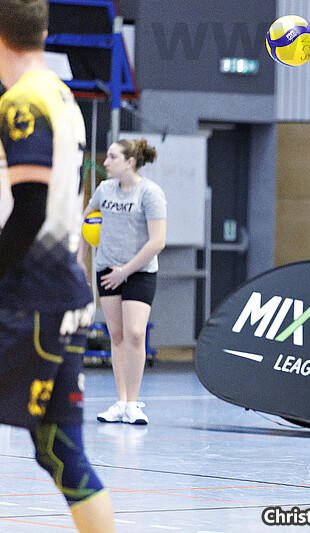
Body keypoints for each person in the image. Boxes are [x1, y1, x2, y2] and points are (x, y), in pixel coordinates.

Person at [0, 0, 116, 530]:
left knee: (61, 450)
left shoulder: (22, 103)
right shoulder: (63, 97)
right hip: (65, 294)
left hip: (29, 297)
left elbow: (29, 210)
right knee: (62, 451)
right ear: (44, 33)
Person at [77, 138, 166, 425]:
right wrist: (80, 260)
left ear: (130, 162)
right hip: (107, 269)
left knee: (135, 334)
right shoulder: (104, 189)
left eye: (112, 157)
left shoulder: (150, 193)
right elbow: (86, 220)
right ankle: (120, 401)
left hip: (138, 272)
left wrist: (125, 271)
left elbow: (157, 242)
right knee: (116, 335)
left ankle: (133, 404)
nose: (105, 162)